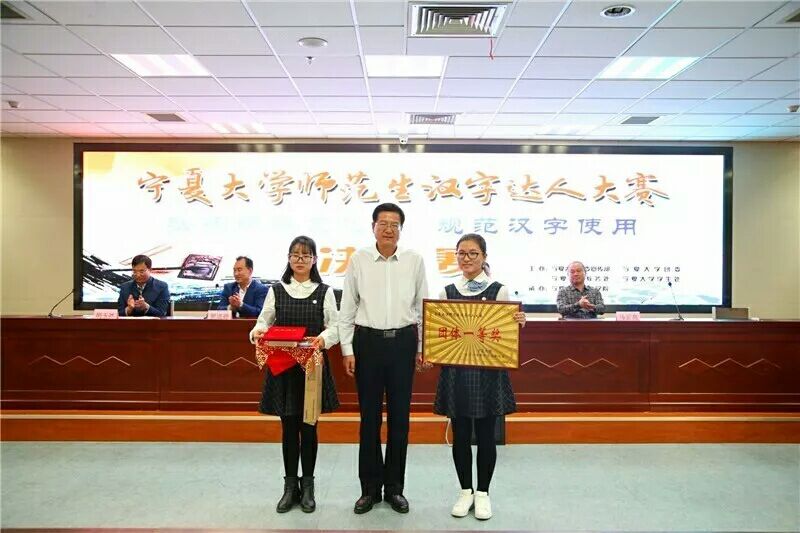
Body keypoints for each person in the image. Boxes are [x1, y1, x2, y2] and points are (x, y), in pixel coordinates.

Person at [339, 203, 428, 515]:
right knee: (369, 420)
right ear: (373, 227)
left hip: (403, 343)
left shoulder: (414, 260)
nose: (389, 229)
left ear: (401, 229)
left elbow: (422, 308)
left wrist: (422, 348)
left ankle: (394, 489)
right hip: (368, 344)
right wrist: (347, 350)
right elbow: (347, 308)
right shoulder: (359, 260)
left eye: (395, 224)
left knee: (400, 420)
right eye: (383, 223)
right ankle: (369, 489)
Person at [433, 234, 525, 521]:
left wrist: (517, 323)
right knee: (460, 434)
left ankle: (483, 492)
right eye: (461, 253)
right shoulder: (447, 291)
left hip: (488, 372)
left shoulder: (500, 290)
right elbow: (440, 332)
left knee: (486, 435)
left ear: (484, 256)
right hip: (457, 372)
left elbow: (505, 334)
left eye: (473, 253)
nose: (467, 258)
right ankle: (465, 491)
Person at [249, 236, 340, 514]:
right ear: (288, 259)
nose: (300, 260)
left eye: (306, 255)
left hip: (311, 369)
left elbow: (335, 326)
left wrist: (323, 339)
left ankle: (308, 486)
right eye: (295, 255)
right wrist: (257, 332)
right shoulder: (277, 290)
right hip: (284, 369)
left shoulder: (324, 291)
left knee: (309, 427)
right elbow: (263, 322)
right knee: (288, 428)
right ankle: (290, 488)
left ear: (314, 260)